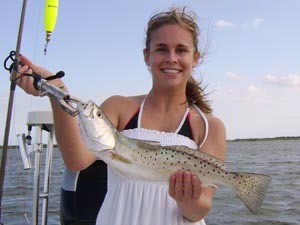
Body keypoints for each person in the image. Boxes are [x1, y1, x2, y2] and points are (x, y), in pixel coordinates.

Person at [17, 6, 226, 225]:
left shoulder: (210, 126)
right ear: (147, 56)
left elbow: (197, 211)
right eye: (162, 49)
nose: (171, 58)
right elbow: (76, 160)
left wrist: (187, 201)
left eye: (181, 50)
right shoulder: (119, 107)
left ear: (195, 58)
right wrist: (56, 91)